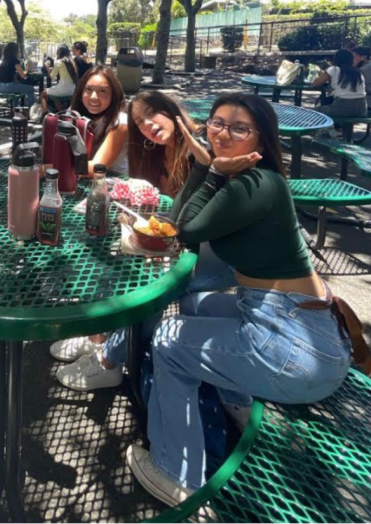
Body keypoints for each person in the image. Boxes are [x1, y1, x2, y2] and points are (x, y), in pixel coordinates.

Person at [125, 92, 368, 506]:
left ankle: (175, 474)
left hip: (298, 347)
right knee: (193, 306)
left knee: (168, 340)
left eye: (240, 128)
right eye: (218, 122)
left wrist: (213, 173)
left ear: (261, 138)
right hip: (287, 324)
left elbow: (185, 230)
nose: (223, 133)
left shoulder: (260, 183)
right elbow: (178, 217)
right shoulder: (242, 179)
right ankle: (234, 399)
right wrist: (206, 168)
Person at [53, 90, 197, 389]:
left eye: (152, 115)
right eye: (141, 123)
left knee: (150, 284)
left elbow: (199, 218)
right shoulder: (155, 150)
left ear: (170, 110)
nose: (149, 126)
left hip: (206, 250)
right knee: (111, 258)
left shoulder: (198, 150)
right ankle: (98, 336)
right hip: (172, 236)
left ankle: (108, 360)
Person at [311, 48, 367, 118]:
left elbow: (315, 84)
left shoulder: (333, 69)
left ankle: (323, 129)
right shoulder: (358, 72)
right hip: (361, 109)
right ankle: (342, 128)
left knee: (316, 110)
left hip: (341, 107)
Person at [0, 42, 36, 108]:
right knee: (31, 89)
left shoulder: (4, 60)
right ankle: (31, 110)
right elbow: (23, 75)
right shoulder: (14, 60)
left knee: (17, 89)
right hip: (7, 86)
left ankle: (15, 109)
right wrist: (28, 66)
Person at [40, 45, 78, 112]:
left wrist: (47, 67)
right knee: (55, 92)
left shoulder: (59, 62)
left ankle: (44, 113)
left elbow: (52, 76)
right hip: (73, 89)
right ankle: (61, 111)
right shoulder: (73, 62)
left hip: (62, 89)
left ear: (59, 52)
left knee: (43, 93)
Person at [351, 46, 371, 113]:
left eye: (354, 57)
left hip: (367, 103)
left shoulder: (361, 70)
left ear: (364, 58)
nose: (351, 60)